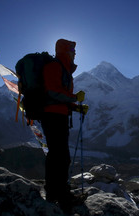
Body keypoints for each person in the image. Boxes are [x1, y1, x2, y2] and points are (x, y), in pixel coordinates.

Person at [40, 39, 88, 212]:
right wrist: (75, 98)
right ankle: (59, 194)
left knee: (58, 155)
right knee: (59, 156)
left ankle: (56, 192)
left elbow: (60, 97)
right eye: (72, 50)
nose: (75, 53)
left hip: (58, 116)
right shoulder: (55, 67)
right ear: (65, 51)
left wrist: (76, 108)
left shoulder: (64, 69)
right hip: (52, 117)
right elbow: (53, 93)